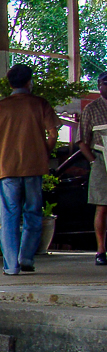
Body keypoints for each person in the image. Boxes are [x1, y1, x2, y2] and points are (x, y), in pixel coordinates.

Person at [0, 64, 62, 275]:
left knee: (9, 214)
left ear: (10, 84)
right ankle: (26, 257)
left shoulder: (0, 107)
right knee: (33, 212)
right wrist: (43, 151)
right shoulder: (40, 104)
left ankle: (11, 266)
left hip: (6, 168)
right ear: (29, 82)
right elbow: (53, 134)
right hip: (34, 167)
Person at [77, 71, 107, 265]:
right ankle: (100, 251)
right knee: (102, 206)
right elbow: (82, 141)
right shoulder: (91, 108)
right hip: (101, 160)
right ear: (99, 86)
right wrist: (94, 162)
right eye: (106, 83)